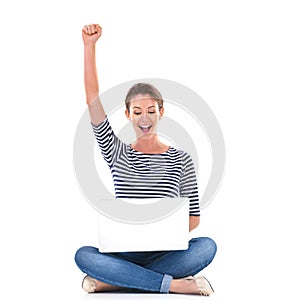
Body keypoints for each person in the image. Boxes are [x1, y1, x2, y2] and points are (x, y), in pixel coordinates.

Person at [75, 23, 217, 296]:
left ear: (161, 112)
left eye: (151, 110)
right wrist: (89, 47)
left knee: (206, 246)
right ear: (128, 115)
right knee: (84, 255)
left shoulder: (182, 160)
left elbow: (194, 219)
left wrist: (161, 227)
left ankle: (115, 282)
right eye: (137, 111)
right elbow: (92, 100)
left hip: (166, 253)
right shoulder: (116, 152)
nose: (144, 117)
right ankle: (171, 284)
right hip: (124, 253)